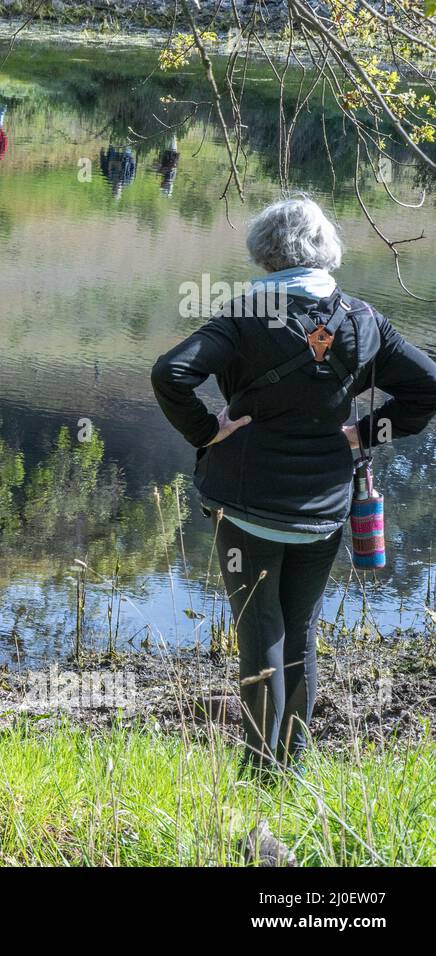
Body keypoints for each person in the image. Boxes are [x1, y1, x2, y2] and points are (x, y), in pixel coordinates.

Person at [151, 195, 436, 771]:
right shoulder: (361, 319)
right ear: (325, 250)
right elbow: (428, 386)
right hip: (324, 509)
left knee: (261, 635)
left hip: (245, 507)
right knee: (300, 632)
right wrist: (365, 432)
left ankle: (260, 776)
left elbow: (171, 373)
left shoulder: (242, 316)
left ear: (265, 253)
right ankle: (293, 768)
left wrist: (209, 431)